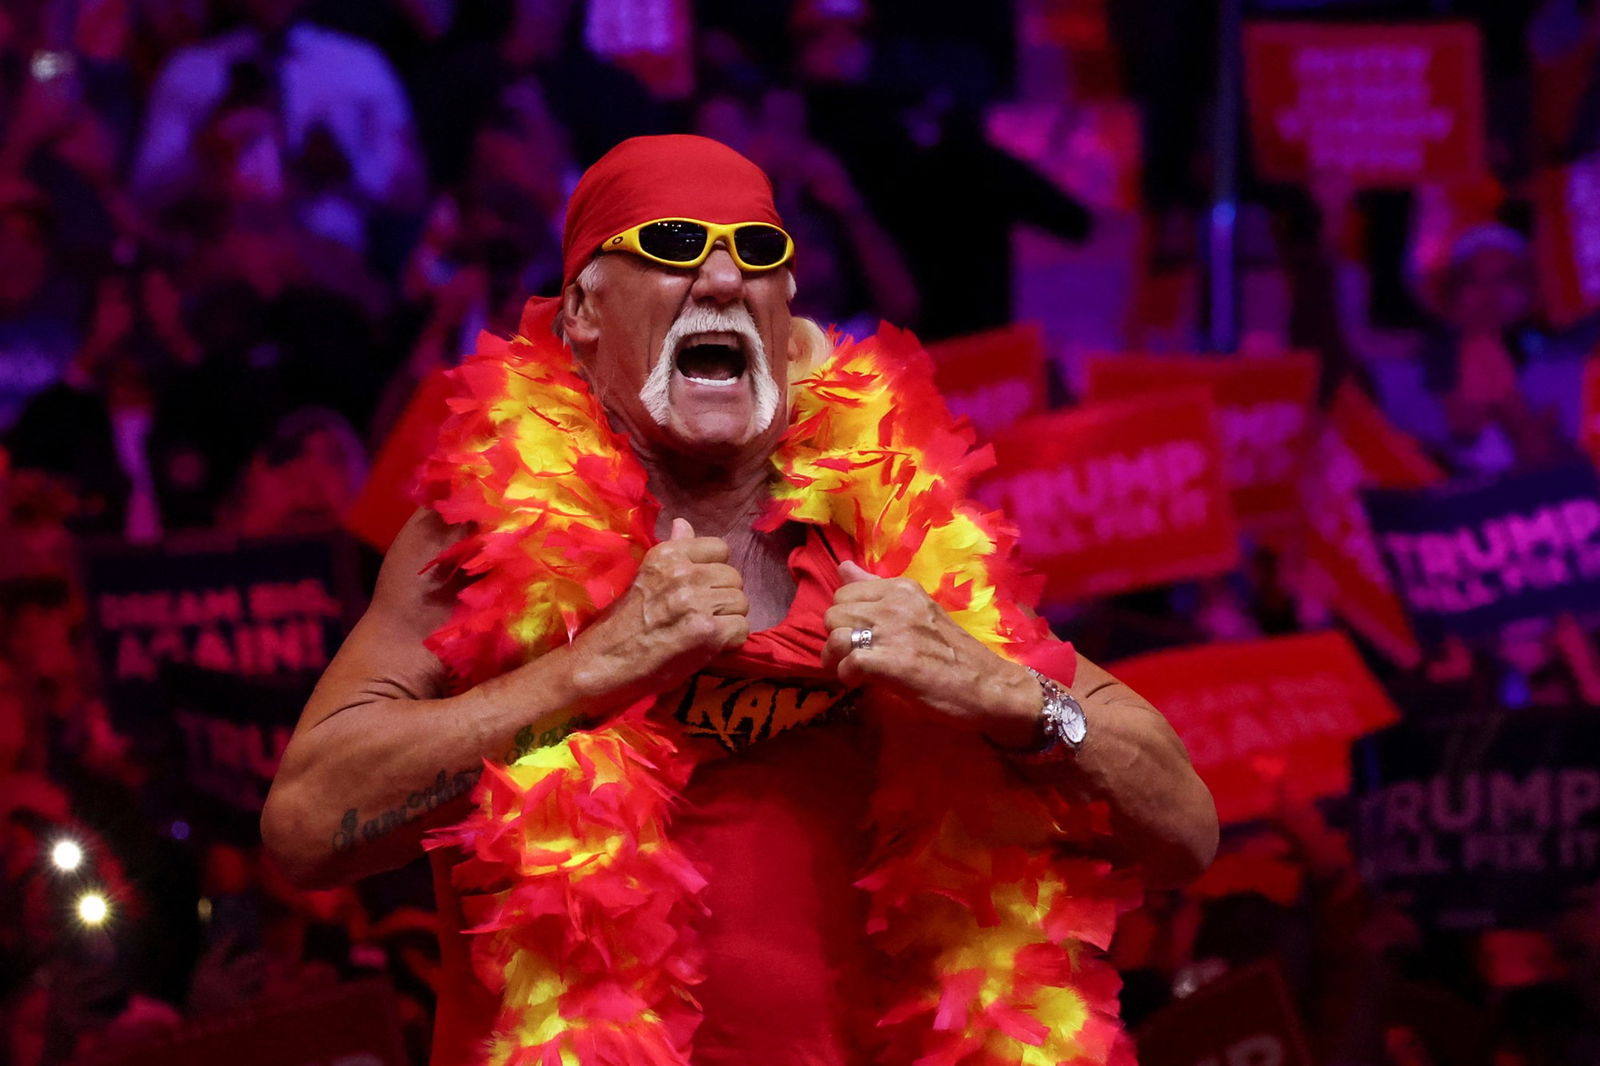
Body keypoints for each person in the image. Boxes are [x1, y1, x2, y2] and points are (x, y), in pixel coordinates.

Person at [262, 134, 1216, 1066]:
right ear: (584, 312)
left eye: (757, 253)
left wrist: (1013, 698)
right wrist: (591, 671)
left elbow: (1185, 829)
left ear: (783, 307)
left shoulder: (895, 531)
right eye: (673, 247)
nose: (722, 279)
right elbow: (306, 829)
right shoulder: (479, 533)